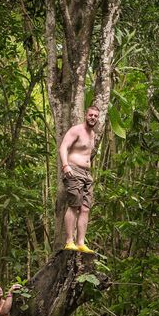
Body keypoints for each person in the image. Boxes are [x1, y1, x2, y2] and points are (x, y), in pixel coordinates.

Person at [58, 105, 101, 254]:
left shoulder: (92, 134)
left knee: (85, 208)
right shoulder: (76, 130)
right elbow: (63, 147)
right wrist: (65, 166)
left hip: (86, 175)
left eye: (96, 116)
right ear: (85, 115)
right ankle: (69, 241)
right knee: (74, 205)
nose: (93, 118)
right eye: (91, 115)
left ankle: (81, 242)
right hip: (73, 170)